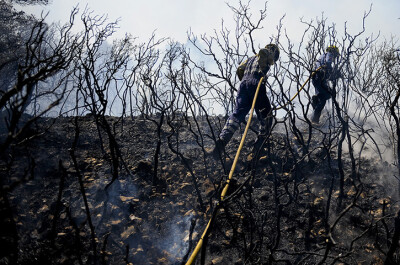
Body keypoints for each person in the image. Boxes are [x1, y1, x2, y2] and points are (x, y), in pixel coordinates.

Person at [211, 44, 280, 158]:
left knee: (237, 114)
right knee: (267, 115)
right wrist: (261, 70)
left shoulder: (250, 58)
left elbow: (239, 69)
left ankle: (222, 140)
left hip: (243, 85)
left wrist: (245, 81)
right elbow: (263, 52)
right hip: (256, 82)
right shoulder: (268, 52)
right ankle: (260, 146)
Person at [310, 45, 341, 123]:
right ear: (333, 52)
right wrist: (335, 73)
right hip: (319, 79)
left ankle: (315, 100)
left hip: (317, 79)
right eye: (336, 55)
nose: (335, 58)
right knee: (323, 98)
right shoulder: (329, 54)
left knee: (329, 93)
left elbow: (327, 75)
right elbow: (327, 65)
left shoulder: (322, 56)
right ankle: (314, 120)